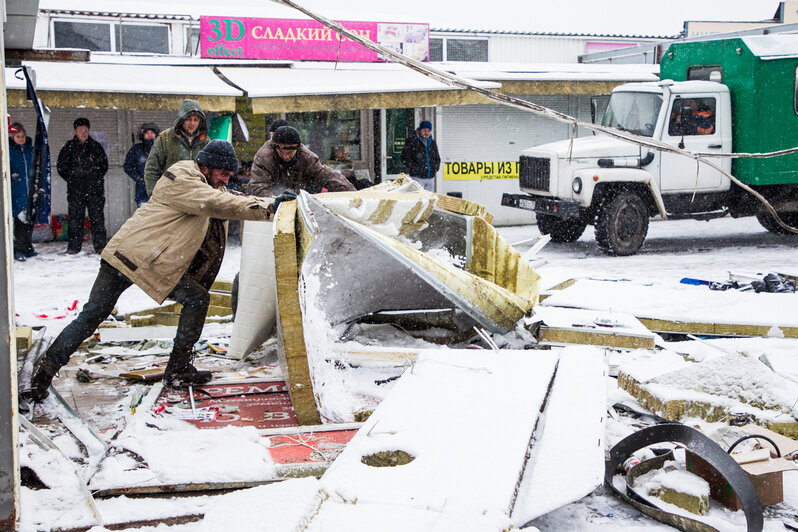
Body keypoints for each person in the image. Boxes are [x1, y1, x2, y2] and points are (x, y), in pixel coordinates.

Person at [20, 141, 297, 406]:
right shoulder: (183, 179)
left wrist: (271, 202)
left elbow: (227, 197)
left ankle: (45, 373)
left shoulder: (201, 181)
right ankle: (46, 374)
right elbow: (216, 202)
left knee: (95, 315)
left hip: (138, 258)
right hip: (141, 260)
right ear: (206, 167)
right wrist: (268, 208)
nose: (225, 180)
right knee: (102, 314)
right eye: (223, 174)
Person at [247, 125, 355, 196]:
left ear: (297, 149)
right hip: (267, 207)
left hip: (296, 198)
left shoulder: (307, 157)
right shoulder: (264, 157)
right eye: (281, 152)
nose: (285, 156)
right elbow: (258, 187)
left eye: (289, 153)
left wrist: (352, 194)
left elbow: (327, 176)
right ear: (275, 148)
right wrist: (276, 200)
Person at [56, 118, 109, 254]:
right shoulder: (69, 147)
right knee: (75, 219)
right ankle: (74, 247)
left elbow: (104, 166)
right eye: (81, 130)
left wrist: (95, 178)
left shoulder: (96, 147)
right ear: (75, 131)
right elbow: (61, 167)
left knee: (97, 218)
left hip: (95, 190)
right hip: (76, 190)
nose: (84, 133)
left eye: (86, 130)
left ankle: (100, 246)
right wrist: (73, 179)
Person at [144, 99, 210, 196]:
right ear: (181, 119)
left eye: (196, 120)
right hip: (171, 194)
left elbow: (211, 171)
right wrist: (155, 195)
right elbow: (151, 169)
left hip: (197, 196)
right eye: (188, 119)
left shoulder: (205, 141)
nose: (192, 123)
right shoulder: (165, 139)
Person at [9, 123, 36, 261]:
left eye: (23, 136)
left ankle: (28, 246)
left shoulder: (29, 150)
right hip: (16, 190)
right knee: (19, 222)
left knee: (29, 220)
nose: (20, 139)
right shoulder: (10, 151)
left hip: (28, 190)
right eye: (18, 136)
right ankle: (19, 249)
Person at [124, 123, 160, 208]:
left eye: (152, 133)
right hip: (142, 190)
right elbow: (127, 166)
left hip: (159, 188)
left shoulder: (160, 148)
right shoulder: (137, 149)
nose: (150, 135)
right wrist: (138, 178)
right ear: (142, 135)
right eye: (147, 133)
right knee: (143, 216)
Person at [401, 120, 440, 192]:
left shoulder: (432, 143)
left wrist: (435, 168)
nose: (426, 133)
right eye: (424, 130)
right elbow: (404, 158)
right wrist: (416, 168)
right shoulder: (412, 141)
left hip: (430, 177)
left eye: (429, 130)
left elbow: (437, 158)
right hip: (417, 178)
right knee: (418, 198)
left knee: (428, 200)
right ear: (420, 130)